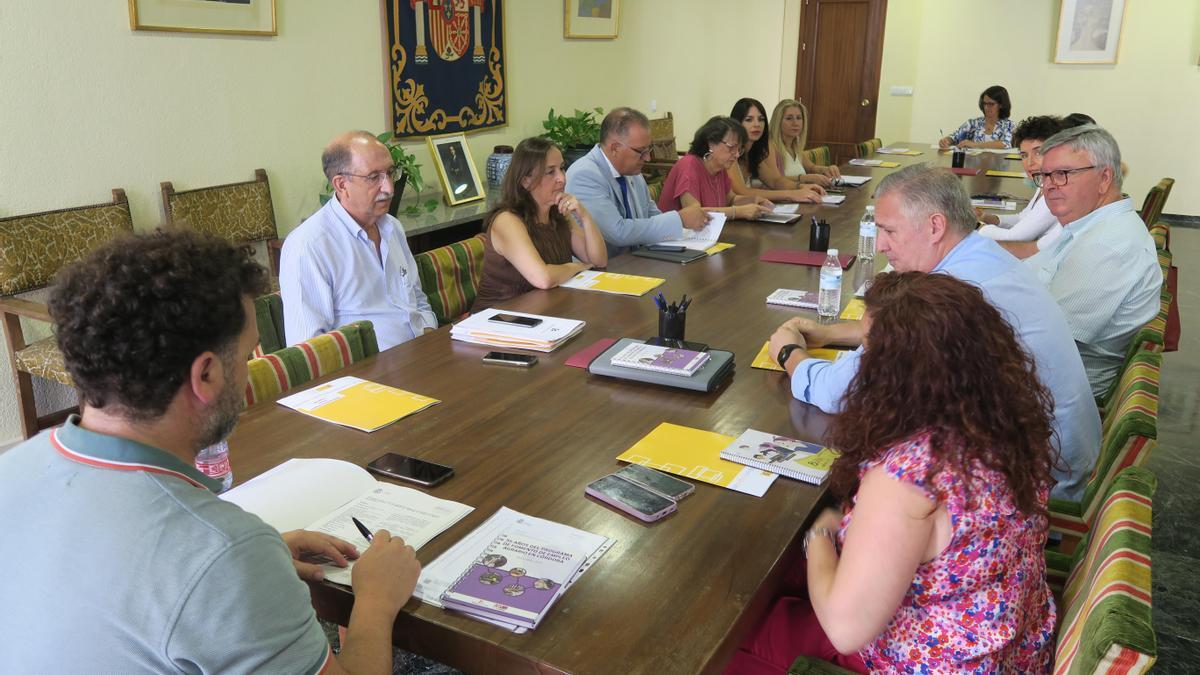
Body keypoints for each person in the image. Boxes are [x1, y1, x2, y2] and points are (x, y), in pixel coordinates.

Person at [0, 230, 421, 673]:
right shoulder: (224, 554)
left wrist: (258, 557)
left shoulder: (11, 470)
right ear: (205, 375)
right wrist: (374, 602)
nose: (249, 371)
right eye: (247, 354)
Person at [732, 271, 1057, 673]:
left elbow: (844, 629)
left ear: (896, 373)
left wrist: (819, 532)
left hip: (932, 658)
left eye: (867, 351)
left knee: (742, 626)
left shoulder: (909, 475)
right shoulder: (1005, 424)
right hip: (1009, 646)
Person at [768, 163, 1099, 501]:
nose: (880, 245)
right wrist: (833, 333)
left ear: (935, 226)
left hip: (1035, 484)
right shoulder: (979, 255)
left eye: (890, 231)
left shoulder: (957, 290)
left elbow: (844, 391)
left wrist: (789, 354)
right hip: (1052, 455)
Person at [1022, 125, 1161, 397]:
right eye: (1045, 175)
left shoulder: (1106, 245)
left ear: (1104, 178)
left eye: (1062, 174)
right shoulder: (1087, 226)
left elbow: (1045, 345)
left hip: (1046, 398)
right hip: (1037, 377)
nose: (1049, 185)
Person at [281, 131, 437, 351]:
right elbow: (309, 350)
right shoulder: (309, 246)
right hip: (367, 377)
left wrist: (431, 340)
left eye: (390, 173)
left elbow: (417, 299)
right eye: (374, 177)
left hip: (422, 353)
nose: (389, 188)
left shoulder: (392, 227)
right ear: (341, 184)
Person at [472, 137, 607, 311]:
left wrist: (584, 215)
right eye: (550, 172)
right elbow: (543, 278)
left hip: (545, 310)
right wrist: (577, 267)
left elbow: (598, 260)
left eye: (562, 168)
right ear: (525, 180)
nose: (562, 179)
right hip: (499, 319)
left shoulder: (558, 213)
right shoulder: (507, 220)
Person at [566, 107, 709, 256]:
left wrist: (684, 227)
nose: (647, 158)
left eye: (649, 149)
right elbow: (617, 232)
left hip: (638, 260)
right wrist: (679, 219)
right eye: (641, 151)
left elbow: (652, 215)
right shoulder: (584, 175)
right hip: (603, 269)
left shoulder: (632, 172)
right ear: (615, 148)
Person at [657, 116, 774, 220]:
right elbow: (695, 214)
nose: (737, 154)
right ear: (710, 143)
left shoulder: (719, 167)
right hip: (675, 239)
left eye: (739, 149)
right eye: (731, 147)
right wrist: (738, 212)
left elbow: (730, 199)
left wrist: (754, 200)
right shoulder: (688, 166)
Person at [976, 115, 1063, 246]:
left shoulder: (1057, 191)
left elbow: (1015, 238)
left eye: (1038, 153)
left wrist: (976, 226)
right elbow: (1022, 218)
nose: (1029, 163)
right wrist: (988, 218)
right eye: (1024, 155)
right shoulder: (1042, 183)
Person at [727, 98, 822, 204]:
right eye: (749, 120)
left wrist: (801, 186)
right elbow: (742, 192)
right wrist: (790, 194)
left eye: (761, 119)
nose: (757, 124)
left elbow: (775, 180)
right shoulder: (729, 152)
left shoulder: (753, 153)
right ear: (736, 123)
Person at [767, 99, 841, 187]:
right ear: (778, 121)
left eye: (799, 118)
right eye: (789, 118)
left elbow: (811, 167)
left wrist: (826, 169)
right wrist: (807, 178)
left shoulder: (795, 146)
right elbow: (775, 181)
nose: (795, 123)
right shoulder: (770, 146)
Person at [938, 85, 1015, 149]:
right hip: (974, 165)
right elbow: (955, 137)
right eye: (984, 104)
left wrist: (974, 145)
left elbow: (1005, 144)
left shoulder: (1009, 125)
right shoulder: (973, 123)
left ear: (1001, 105)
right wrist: (947, 140)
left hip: (998, 167)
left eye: (991, 104)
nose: (986, 107)